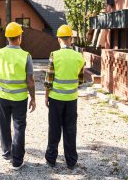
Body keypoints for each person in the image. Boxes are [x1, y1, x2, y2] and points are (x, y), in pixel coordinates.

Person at [0, 22, 36, 171]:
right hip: (20, 98)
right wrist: (33, 98)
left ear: (7, 37)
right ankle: (17, 161)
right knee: (19, 127)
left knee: (3, 124)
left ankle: (7, 153)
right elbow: (30, 81)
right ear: (20, 37)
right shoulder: (26, 56)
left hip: (2, 97)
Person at [44, 24, 85, 170]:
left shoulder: (54, 55)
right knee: (70, 129)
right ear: (71, 39)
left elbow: (49, 80)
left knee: (54, 130)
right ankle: (71, 161)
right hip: (71, 100)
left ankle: (51, 159)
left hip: (56, 99)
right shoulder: (79, 57)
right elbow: (80, 80)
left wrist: (46, 97)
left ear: (58, 40)